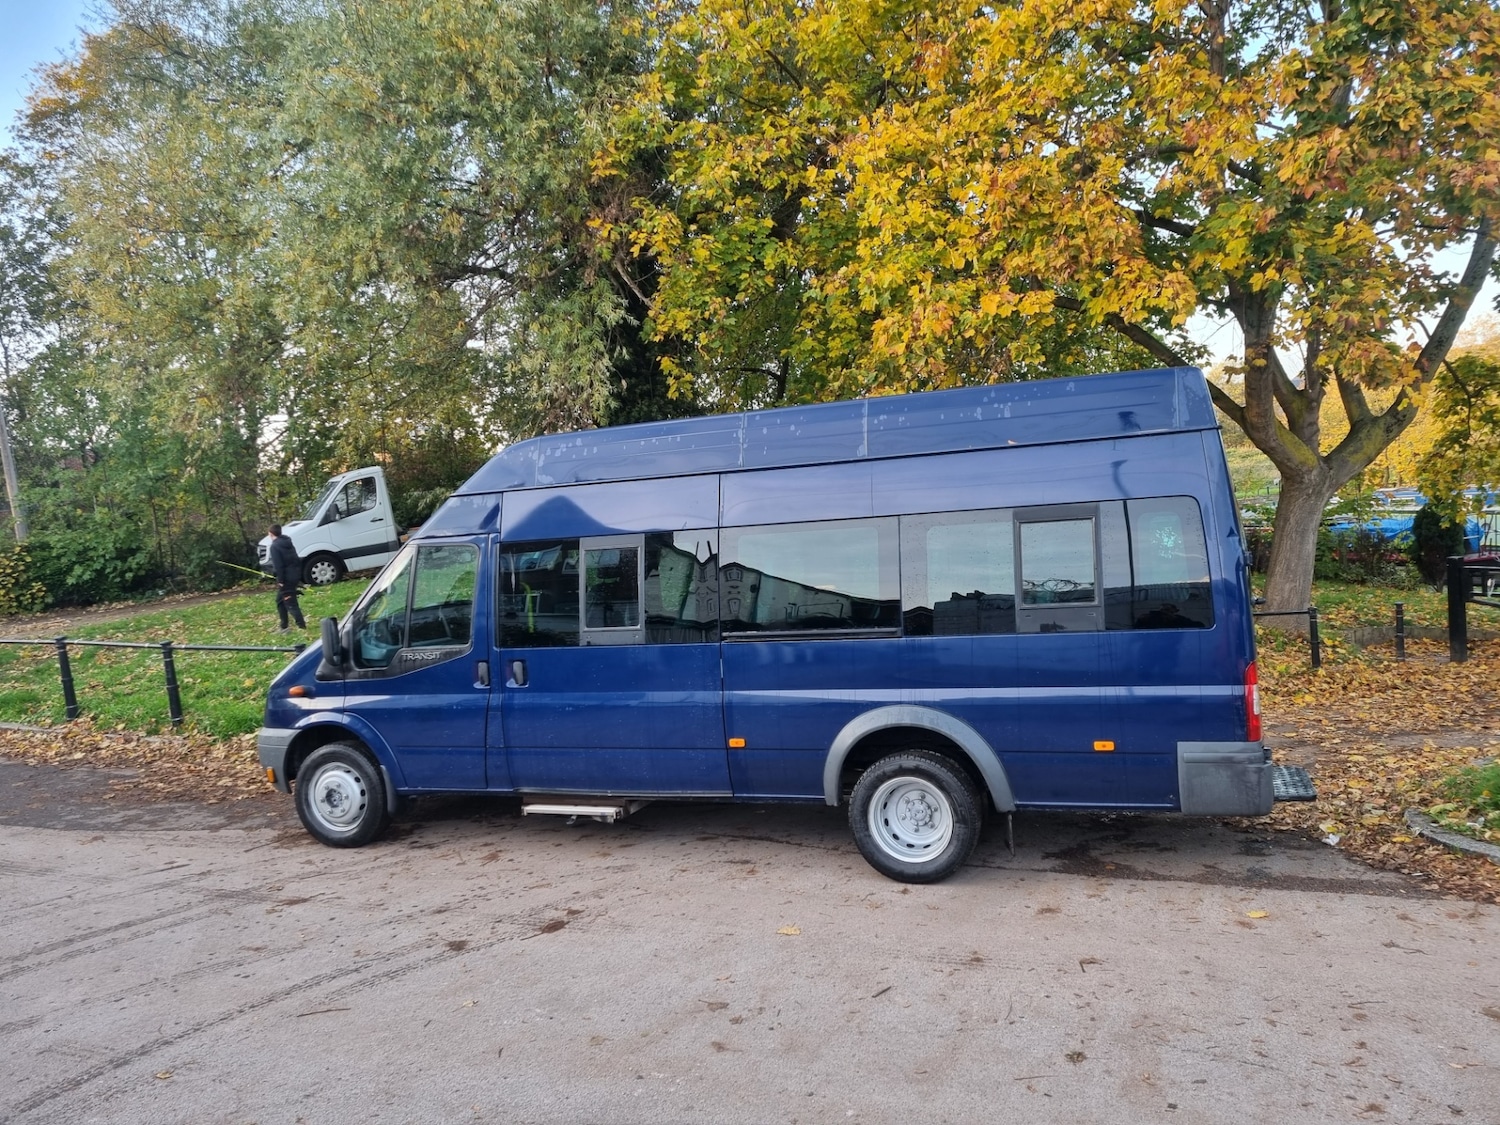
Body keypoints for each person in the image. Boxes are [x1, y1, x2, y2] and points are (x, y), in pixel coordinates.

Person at [268, 524, 307, 631]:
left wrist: (280, 580)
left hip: (286, 579)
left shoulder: (274, 546)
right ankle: (284, 626)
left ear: (271, 534)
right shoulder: (288, 542)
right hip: (294, 576)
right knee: (280, 601)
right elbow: (296, 560)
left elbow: (279, 565)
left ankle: (301, 626)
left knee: (291, 603)